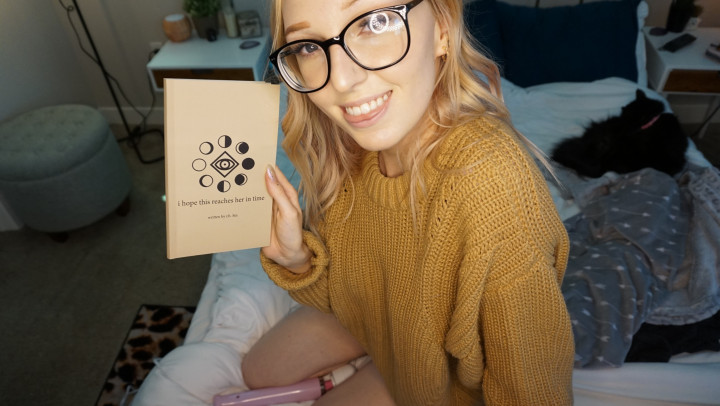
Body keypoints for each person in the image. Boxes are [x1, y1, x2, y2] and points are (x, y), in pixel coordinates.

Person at [241, 0, 575, 404]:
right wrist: (296, 260)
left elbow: (534, 390)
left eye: (375, 22)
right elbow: (346, 291)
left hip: (443, 383)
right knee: (258, 370)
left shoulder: (491, 182)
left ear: (442, 30)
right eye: (309, 47)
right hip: (386, 326)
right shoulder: (350, 146)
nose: (342, 80)